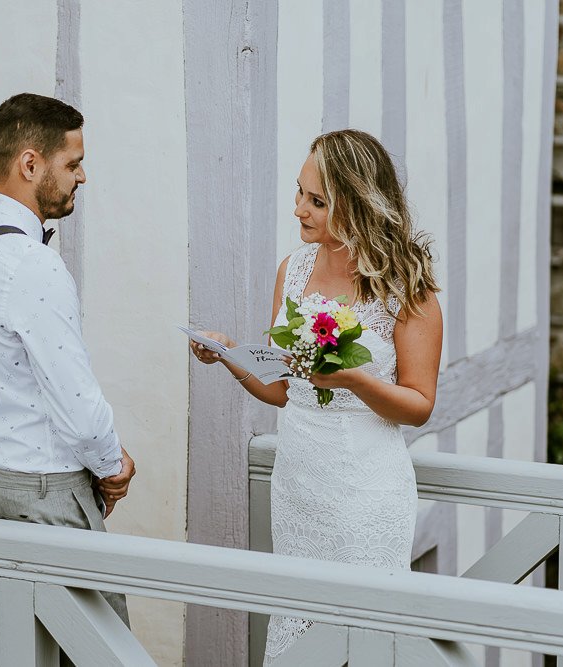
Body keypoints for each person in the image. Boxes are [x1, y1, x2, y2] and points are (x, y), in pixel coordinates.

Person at [190, 129, 442, 663]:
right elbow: (284, 391)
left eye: (317, 201)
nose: (299, 210)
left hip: (365, 491)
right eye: (299, 193)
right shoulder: (295, 269)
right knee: (300, 633)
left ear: (356, 203)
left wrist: (355, 380)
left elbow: (420, 403)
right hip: (299, 484)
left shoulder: (406, 288)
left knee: (361, 638)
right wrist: (232, 358)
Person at [0, 93, 135, 628]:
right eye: (72, 164)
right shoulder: (32, 263)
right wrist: (113, 466)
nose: (82, 177)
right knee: (98, 650)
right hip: (44, 498)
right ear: (30, 164)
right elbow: (77, 404)